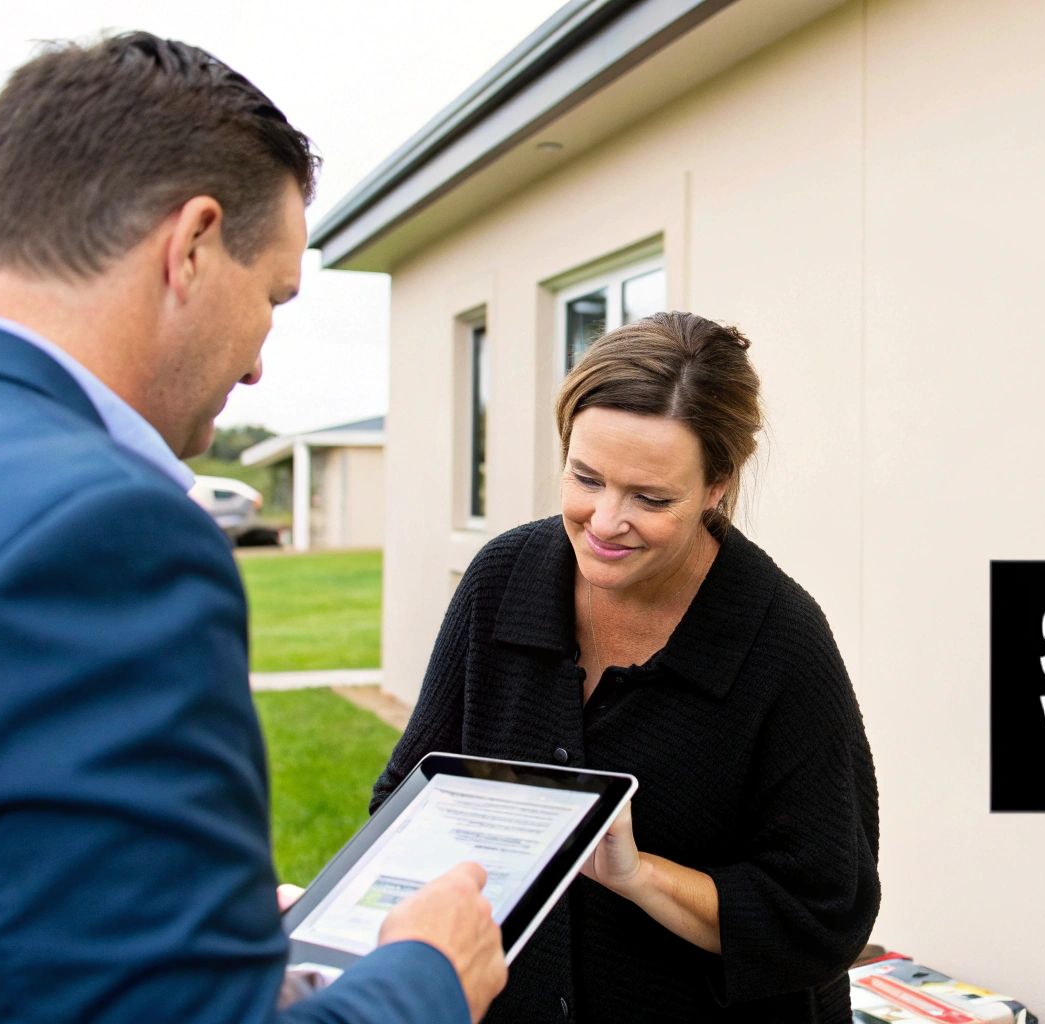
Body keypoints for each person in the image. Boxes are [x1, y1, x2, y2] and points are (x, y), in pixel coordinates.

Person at [0, 32, 505, 1023]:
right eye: (272, 297)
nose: (259, 366)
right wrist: (429, 971)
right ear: (192, 245)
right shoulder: (94, 537)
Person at [372, 312, 881, 1023]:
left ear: (717, 486)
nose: (606, 522)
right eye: (586, 478)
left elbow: (821, 915)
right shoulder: (502, 581)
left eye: (650, 498)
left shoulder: (782, 644)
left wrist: (639, 876)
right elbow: (406, 800)